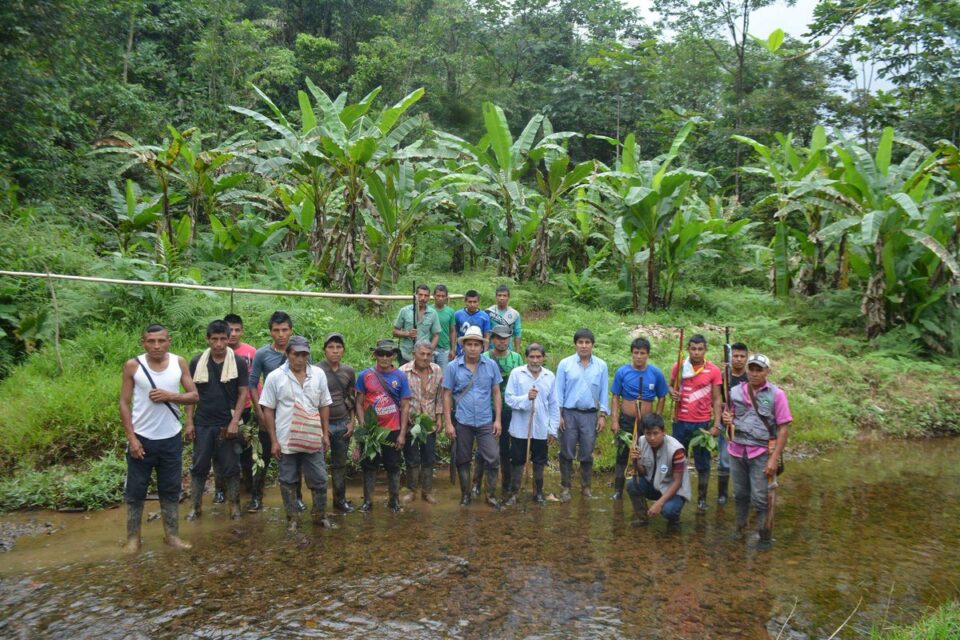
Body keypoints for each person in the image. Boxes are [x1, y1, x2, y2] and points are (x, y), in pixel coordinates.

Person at [119, 324, 198, 553]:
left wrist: (170, 396)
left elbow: (194, 395)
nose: (156, 346)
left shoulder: (178, 362)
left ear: (169, 341)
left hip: (171, 438)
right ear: (143, 343)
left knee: (170, 489)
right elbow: (124, 402)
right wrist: (131, 438)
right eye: (151, 341)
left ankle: (172, 536)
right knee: (135, 491)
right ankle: (133, 539)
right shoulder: (133, 365)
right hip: (142, 438)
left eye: (161, 341)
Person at [259, 336, 335, 531]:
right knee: (287, 479)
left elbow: (324, 404)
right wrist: (274, 441)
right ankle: (292, 518)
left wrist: (325, 434)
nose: (300, 359)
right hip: (286, 438)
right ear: (287, 354)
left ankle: (319, 515)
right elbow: (268, 409)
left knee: (319, 478)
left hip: (312, 436)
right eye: (296, 354)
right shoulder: (275, 377)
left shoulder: (318, 374)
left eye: (304, 355)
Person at [722, 353, 791, 549]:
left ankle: (765, 535)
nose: (754, 373)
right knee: (740, 494)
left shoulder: (777, 395)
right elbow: (728, 416)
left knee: (761, 497)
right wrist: (726, 420)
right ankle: (740, 528)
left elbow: (783, 429)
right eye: (751, 369)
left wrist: (774, 459)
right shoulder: (734, 391)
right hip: (736, 450)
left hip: (761, 452)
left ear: (767, 371)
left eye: (759, 369)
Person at [184, 320, 249, 521]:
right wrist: (189, 422)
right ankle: (195, 507)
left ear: (229, 339)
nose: (219, 344)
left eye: (223, 339)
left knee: (231, 466)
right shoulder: (197, 362)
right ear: (208, 339)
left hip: (226, 423)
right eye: (214, 339)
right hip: (203, 422)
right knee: (199, 466)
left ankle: (234, 506)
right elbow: (191, 394)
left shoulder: (238, 362)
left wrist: (234, 421)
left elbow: (243, 393)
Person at [442, 325, 503, 507]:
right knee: (463, 459)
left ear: (482, 346)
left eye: (477, 345)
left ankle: (490, 495)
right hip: (463, 420)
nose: (473, 348)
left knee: (493, 457)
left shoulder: (491, 365)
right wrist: (448, 423)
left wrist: (498, 420)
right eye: (469, 344)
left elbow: (496, 392)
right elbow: (446, 394)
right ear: (463, 346)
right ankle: (466, 495)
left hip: (485, 420)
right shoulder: (453, 367)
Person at [247, 311, 299, 513]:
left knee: (296, 456)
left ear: (291, 330)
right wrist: (259, 411)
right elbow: (252, 384)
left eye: (284, 330)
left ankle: (297, 498)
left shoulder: (299, 352)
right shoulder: (262, 354)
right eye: (276, 330)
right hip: (269, 413)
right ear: (270, 332)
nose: (281, 334)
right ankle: (256, 497)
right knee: (263, 457)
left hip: (292, 414)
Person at [669, 334, 723, 513]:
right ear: (688, 349)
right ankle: (676, 498)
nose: (697, 352)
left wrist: (716, 424)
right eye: (693, 349)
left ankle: (701, 500)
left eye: (700, 349)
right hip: (680, 422)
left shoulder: (713, 370)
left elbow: (717, 399)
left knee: (703, 463)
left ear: (705, 350)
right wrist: (672, 392)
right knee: (677, 461)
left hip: (702, 424)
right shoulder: (679, 366)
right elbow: (670, 385)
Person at [610, 337, 669, 501]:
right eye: (636, 353)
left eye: (642, 353)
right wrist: (614, 420)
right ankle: (618, 491)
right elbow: (615, 396)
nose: (639, 356)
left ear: (648, 354)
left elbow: (662, 397)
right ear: (632, 353)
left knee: (646, 455)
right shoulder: (622, 372)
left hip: (647, 423)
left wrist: (657, 418)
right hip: (626, 420)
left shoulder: (655, 373)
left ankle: (647, 488)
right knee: (622, 454)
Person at [355, 339, 411, 512]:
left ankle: (394, 501)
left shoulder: (400, 376)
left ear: (394, 355)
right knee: (369, 466)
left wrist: (402, 434)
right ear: (375, 355)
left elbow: (405, 406)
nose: (385, 358)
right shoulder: (365, 375)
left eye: (388, 354)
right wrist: (363, 425)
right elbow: (359, 403)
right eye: (381, 354)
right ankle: (368, 501)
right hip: (371, 431)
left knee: (393, 465)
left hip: (392, 429)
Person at [555, 328, 609, 501]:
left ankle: (586, 488)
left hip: (590, 415)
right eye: (580, 342)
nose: (584, 346)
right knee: (566, 451)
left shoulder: (601, 366)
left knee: (587, 451)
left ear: (592, 345)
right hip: (569, 413)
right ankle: (566, 487)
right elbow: (558, 391)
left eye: (587, 342)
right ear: (575, 344)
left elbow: (604, 392)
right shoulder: (565, 364)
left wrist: (602, 415)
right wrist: (559, 415)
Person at [504, 343, 560, 505]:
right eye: (532, 357)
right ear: (526, 357)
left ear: (543, 358)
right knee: (517, 461)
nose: (535, 360)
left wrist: (552, 429)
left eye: (538, 357)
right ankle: (514, 493)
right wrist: (526, 398)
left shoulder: (549, 376)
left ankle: (538, 493)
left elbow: (554, 404)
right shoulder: (517, 374)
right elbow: (509, 399)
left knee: (539, 461)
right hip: (520, 428)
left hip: (541, 428)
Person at [472, 324, 523, 498]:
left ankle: (506, 484)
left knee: (505, 448)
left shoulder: (516, 358)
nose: (502, 342)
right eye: (499, 338)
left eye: (505, 338)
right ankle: (476, 483)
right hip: (487, 409)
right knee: (483, 448)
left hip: (510, 409)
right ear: (492, 339)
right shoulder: (485, 357)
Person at [215, 313, 257, 504]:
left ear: (242, 331)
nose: (233, 334)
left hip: (245, 408)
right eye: (229, 330)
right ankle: (220, 488)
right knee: (219, 450)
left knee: (246, 447)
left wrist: (258, 406)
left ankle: (249, 484)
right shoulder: (213, 354)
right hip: (221, 410)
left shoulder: (250, 352)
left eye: (237, 330)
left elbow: (255, 381)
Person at [399, 340, 444, 504]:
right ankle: (411, 490)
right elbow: (399, 399)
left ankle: (427, 491)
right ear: (414, 354)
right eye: (422, 354)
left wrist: (439, 417)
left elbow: (439, 396)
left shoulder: (437, 370)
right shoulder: (403, 372)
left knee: (429, 457)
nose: (425, 358)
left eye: (428, 354)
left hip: (429, 422)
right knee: (411, 458)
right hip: (410, 422)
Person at [626, 413, 691, 527]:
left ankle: (674, 520)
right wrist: (635, 461)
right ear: (644, 432)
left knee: (668, 510)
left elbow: (678, 482)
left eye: (655, 433)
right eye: (648, 433)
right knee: (632, 484)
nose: (652, 438)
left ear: (663, 432)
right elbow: (643, 473)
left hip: (673, 490)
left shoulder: (676, 450)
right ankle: (642, 518)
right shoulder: (642, 441)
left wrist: (659, 503)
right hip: (654, 485)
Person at [317, 332, 357, 513]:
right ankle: (319, 504)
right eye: (331, 347)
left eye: (339, 347)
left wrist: (352, 422)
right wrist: (320, 427)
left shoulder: (348, 371)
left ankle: (339, 500)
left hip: (342, 423)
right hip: (320, 425)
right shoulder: (316, 371)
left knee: (340, 465)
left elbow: (351, 398)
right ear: (324, 350)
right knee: (318, 465)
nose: (335, 351)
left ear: (343, 350)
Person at [717, 341, 749, 506]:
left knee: (746, 460)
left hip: (745, 425)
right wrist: (725, 408)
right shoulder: (723, 377)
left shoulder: (750, 378)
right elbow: (716, 399)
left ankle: (744, 493)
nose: (738, 359)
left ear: (746, 358)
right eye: (735, 356)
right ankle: (722, 494)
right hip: (726, 424)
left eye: (742, 356)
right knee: (724, 460)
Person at [393, 283, 441, 366]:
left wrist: (429, 350)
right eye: (420, 295)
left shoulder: (433, 313)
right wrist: (408, 334)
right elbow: (395, 331)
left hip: (424, 357)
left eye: (426, 295)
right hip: (406, 355)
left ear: (429, 297)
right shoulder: (405, 311)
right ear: (415, 295)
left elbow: (436, 335)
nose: (423, 298)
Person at [454, 290, 491, 356]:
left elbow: (486, 335)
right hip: (461, 352)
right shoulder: (457, 315)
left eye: (474, 302)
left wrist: (485, 352)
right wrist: (453, 349)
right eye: (470, 302)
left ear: (478, 302)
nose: (472, 304)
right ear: (465, 302)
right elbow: (454, 333)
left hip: (478, 352)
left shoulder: (484, 316)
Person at [486, 284, 522, 352]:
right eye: (499, 295)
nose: (502, 298)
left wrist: (517, 352)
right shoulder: (489, 312)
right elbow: (486, 333)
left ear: (508, 297)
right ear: (496, 297)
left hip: (508, 350)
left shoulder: (515, 314)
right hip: (491, 350)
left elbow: (518, 334)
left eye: (504, 296)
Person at [431, 284, 457, 372]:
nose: (440, 298)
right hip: (430, 347)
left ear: (446, 297)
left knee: (444, 376)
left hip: (444, 349)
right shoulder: (428, 310)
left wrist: (452, 349)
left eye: (443, 296)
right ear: (434, 296)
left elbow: (452, 331)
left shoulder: (450, 311)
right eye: (438, 296)